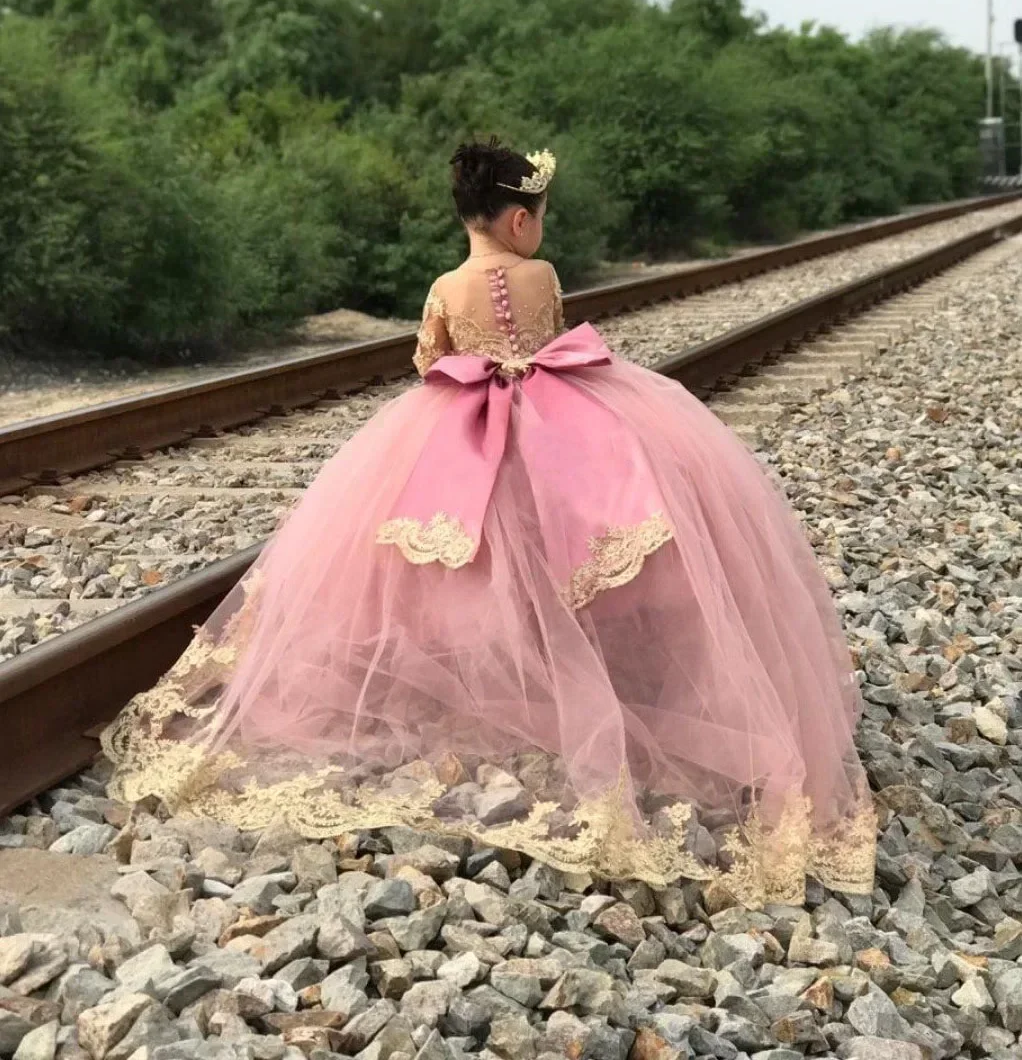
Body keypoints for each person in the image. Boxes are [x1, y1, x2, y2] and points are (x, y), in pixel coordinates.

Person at [103, 139, 875, 907]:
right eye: (538, 214)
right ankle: (578, 650)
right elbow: (549, 333)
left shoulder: (445, 285)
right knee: (575, 521)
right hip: (556, 415)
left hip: (466, 422)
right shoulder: (540, 274)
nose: (541, 227)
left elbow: (428, 358)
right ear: (516, 221)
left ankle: (502, 659)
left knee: (466, 539)